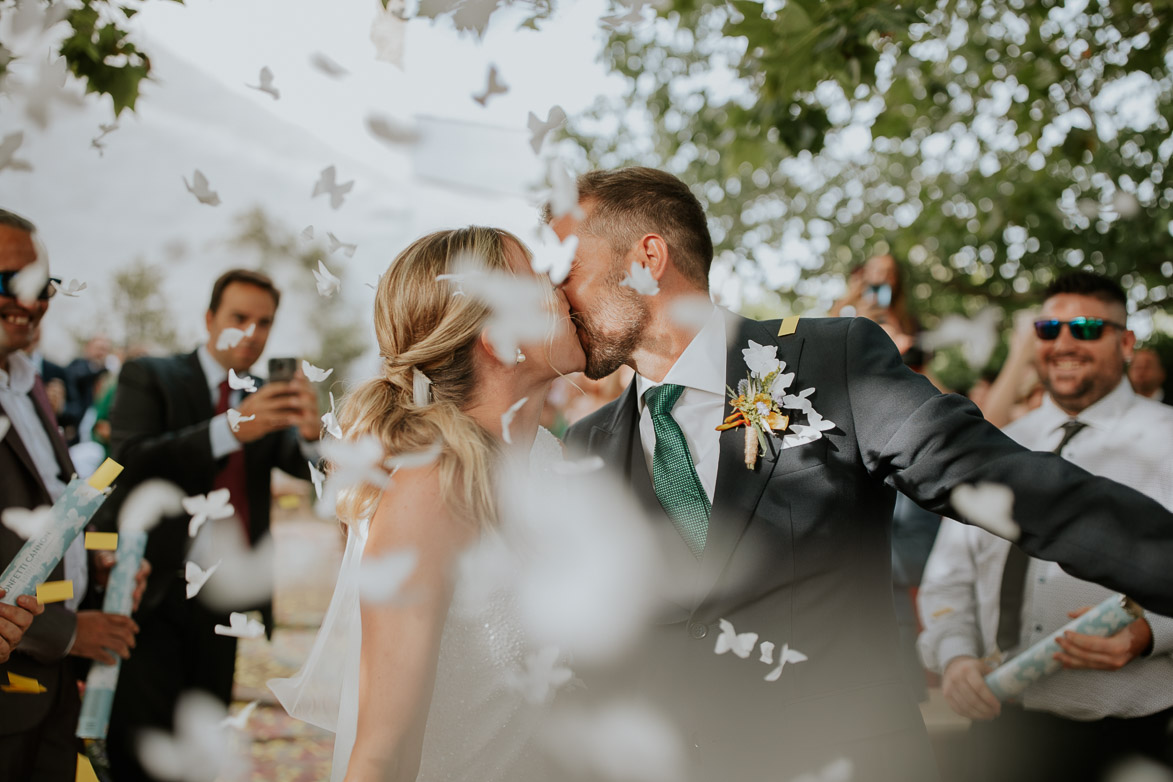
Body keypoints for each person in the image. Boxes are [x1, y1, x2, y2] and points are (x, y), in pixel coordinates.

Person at [550, 167, 1173, 781]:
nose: (554, 296)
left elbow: (1013, 488)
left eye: (568, 268)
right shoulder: (586, 445)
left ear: (648, 257)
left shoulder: (832, 362)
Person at [270, 227, 585, 782]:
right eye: (537, 280)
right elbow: (382, 752)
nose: (562, 285)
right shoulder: (435, 485)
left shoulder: (545, 456)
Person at [917, 271, 1173, 782]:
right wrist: (957, 656)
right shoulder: (995, 444)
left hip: (1130, 737)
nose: (1062, 343)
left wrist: (1150, 633)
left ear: (1125, 341)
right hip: (999, 735)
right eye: (1047, 329)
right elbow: (948, 577)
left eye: (1084, 328)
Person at [93, 268, 323, 782]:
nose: (252, 333)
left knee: (205, 742)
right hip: (149, 590)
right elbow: (131, 459)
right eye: (239, 318)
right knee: (140, 744)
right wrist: (231, 429)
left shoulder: (265, 392)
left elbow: (301, 465)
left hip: (225, 595)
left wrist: (311, 434)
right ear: (208, 318)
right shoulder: (151, 375)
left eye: (264, 323)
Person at [0, 209, 141, 781]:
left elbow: (50, 510)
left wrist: (100, 563)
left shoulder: (26, 381)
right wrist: (69, 631)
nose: (29, 301)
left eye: (42, 285)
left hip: (51, 693)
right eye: (6, 282)